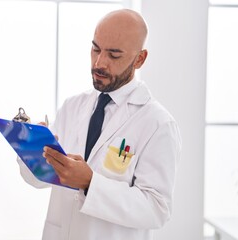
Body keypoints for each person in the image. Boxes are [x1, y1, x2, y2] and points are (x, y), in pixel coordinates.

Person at [17, 8, 182, 240]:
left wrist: (90, 182)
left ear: (140, 59)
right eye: (96, 49)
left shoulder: (158, 124)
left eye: (114, 55)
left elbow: (157, 209)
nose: (99, 63)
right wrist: (31, 147)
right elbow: (37, 179)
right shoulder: (72, 107)